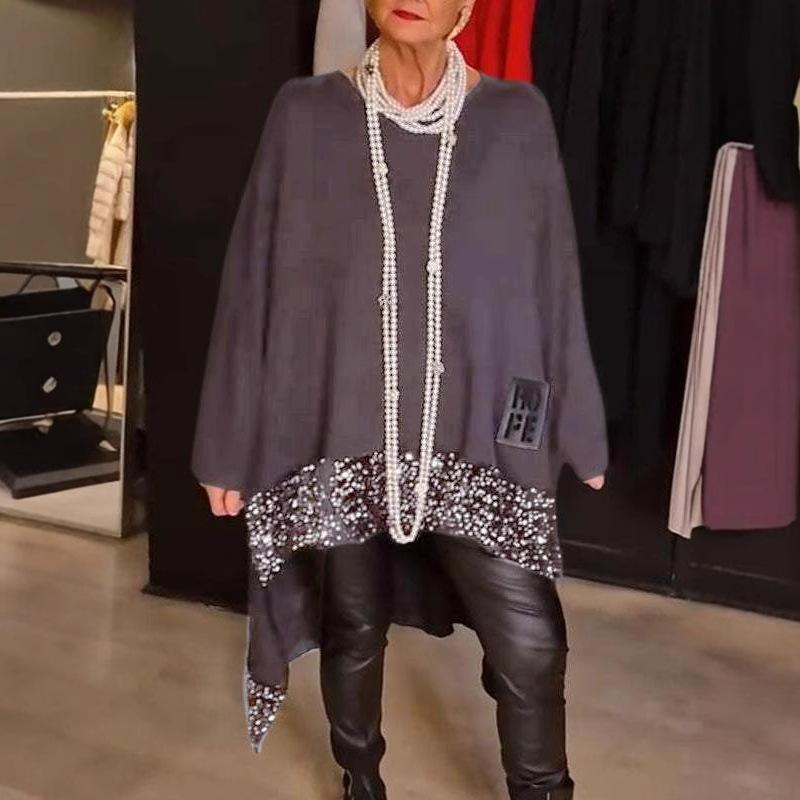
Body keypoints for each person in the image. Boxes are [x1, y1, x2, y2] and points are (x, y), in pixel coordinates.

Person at [192, 2, 607, 798]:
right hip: (343, 426)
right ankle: (361, 781)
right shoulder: (306, 116)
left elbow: (553, 279)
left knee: (532, 642)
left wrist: (578, 423)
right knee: (352, 623)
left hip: (477, 435)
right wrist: (226, 442)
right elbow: (251, 279)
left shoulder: (516, 120)